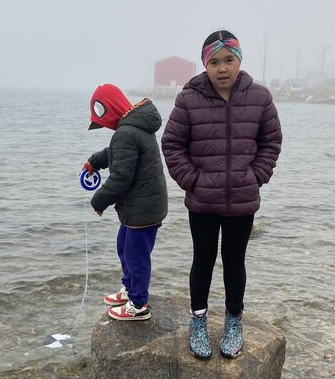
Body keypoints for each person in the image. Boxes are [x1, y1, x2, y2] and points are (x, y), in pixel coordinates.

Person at [161, 30, 282, 358]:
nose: (222, 68)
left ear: (239, 60)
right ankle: (198, 321)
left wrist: (256, 176)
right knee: (202, 259)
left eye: (229, 59)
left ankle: (233, 321)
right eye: (214, 62)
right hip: (202, 200)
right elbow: (172, 144)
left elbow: (271, 141)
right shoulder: (188, 99)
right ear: (206, 65)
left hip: (243, 199)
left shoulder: (260, 98)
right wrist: (192, 180)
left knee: (234, 260)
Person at [84, 84, 168, 321]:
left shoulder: (126, 132)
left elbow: (121, 176)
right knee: (124, 246)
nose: (105, 126)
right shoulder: (134, 127)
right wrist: (94, 162)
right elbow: (116, 152)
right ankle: (130, 289)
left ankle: (138, 305)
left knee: (136, 256)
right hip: (143, 205)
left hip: (143, 208)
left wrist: (99, 201)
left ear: (108, 109)